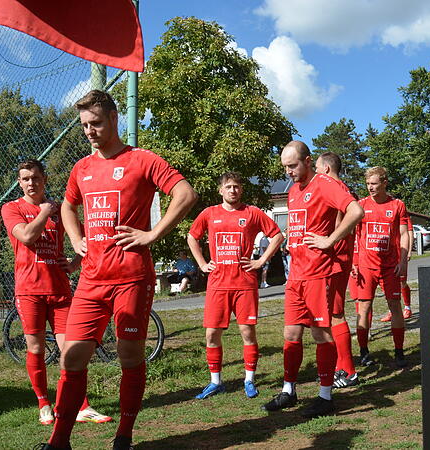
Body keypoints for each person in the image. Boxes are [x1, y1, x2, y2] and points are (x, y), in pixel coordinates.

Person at [39, 90, 197, 450]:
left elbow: (185, 194)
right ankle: (59, 441)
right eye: (84, 126)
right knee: (73, 354)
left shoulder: (142, 160)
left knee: (129, 355)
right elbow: (67, 207)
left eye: (95, 123)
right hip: (91, 280)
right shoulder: (82, 168)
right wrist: (77, 238)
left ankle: (123, 435)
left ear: (114, 118)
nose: (90, 131)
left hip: (132, 278)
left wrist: (153, 233)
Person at [1, 159, 111, 425]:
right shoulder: (11, 208)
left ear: (44, 179)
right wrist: (44, 212)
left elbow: (87, 238)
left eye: (36, 178)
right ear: (19, 182)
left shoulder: (61, 211)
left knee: (72, 350)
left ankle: (81, 406)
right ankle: (44, 404)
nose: (31, 183)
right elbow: (26, 236)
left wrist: (75, 262)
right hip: (29, 291)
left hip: (59, 291)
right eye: (25, 179)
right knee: (36, 347)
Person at [261, 141, 363, 419]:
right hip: (296, 275)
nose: (289, 172)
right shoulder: (293, 191)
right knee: (291, 334)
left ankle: (325, 396)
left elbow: (355, 211)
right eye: (285, 167)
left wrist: (330, 239)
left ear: (307, 161)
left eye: (293, 166)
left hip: (319, 274)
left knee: (321, 333)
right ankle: (288, 390)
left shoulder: (325, 184)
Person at [187, 172, 282, 400]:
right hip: (218, 284)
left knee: (247, 332)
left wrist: (260, 261)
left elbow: (277, 235)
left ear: (241, 190)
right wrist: (201, 264)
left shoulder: (252, 213)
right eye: (228, 187)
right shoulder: (210, 213)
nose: (233, 191)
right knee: (212, 334)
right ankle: (215, 382)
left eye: (236, 187)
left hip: (244, 283)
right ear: (220, 190)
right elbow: (192, 237)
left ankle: (249, 379)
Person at [352, 167, 410, 369]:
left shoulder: (397, 205)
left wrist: (403, 260)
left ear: (384, 183)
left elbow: (404, 234)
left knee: (395, 306)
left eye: (374, 183)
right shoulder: (361, 205)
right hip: (367, 266)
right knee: (364, 307)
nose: (370, 187)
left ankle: (399, 351)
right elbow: (354, 234)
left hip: (390, 266)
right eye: (368, 184)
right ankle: (363, 352)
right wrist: (354, 262)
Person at [314, 152, 359, 388]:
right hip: (340, 256)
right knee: (333, 313)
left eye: (317, 168)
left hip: (336, 258)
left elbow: (342, 219)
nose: (315, 173)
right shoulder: (343, 187)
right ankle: (341, 367)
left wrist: (328, 240)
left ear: (327, 169)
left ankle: (348, 370)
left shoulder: (334, 187)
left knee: (335, 314)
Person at [381, 214, 414, 322]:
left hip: (401, 253)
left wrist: (408, 252)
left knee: (402, 282)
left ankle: (407, 308)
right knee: (388, 284)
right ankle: (392, 311)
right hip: (389, 254)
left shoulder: (402, 214)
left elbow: (409, 233)